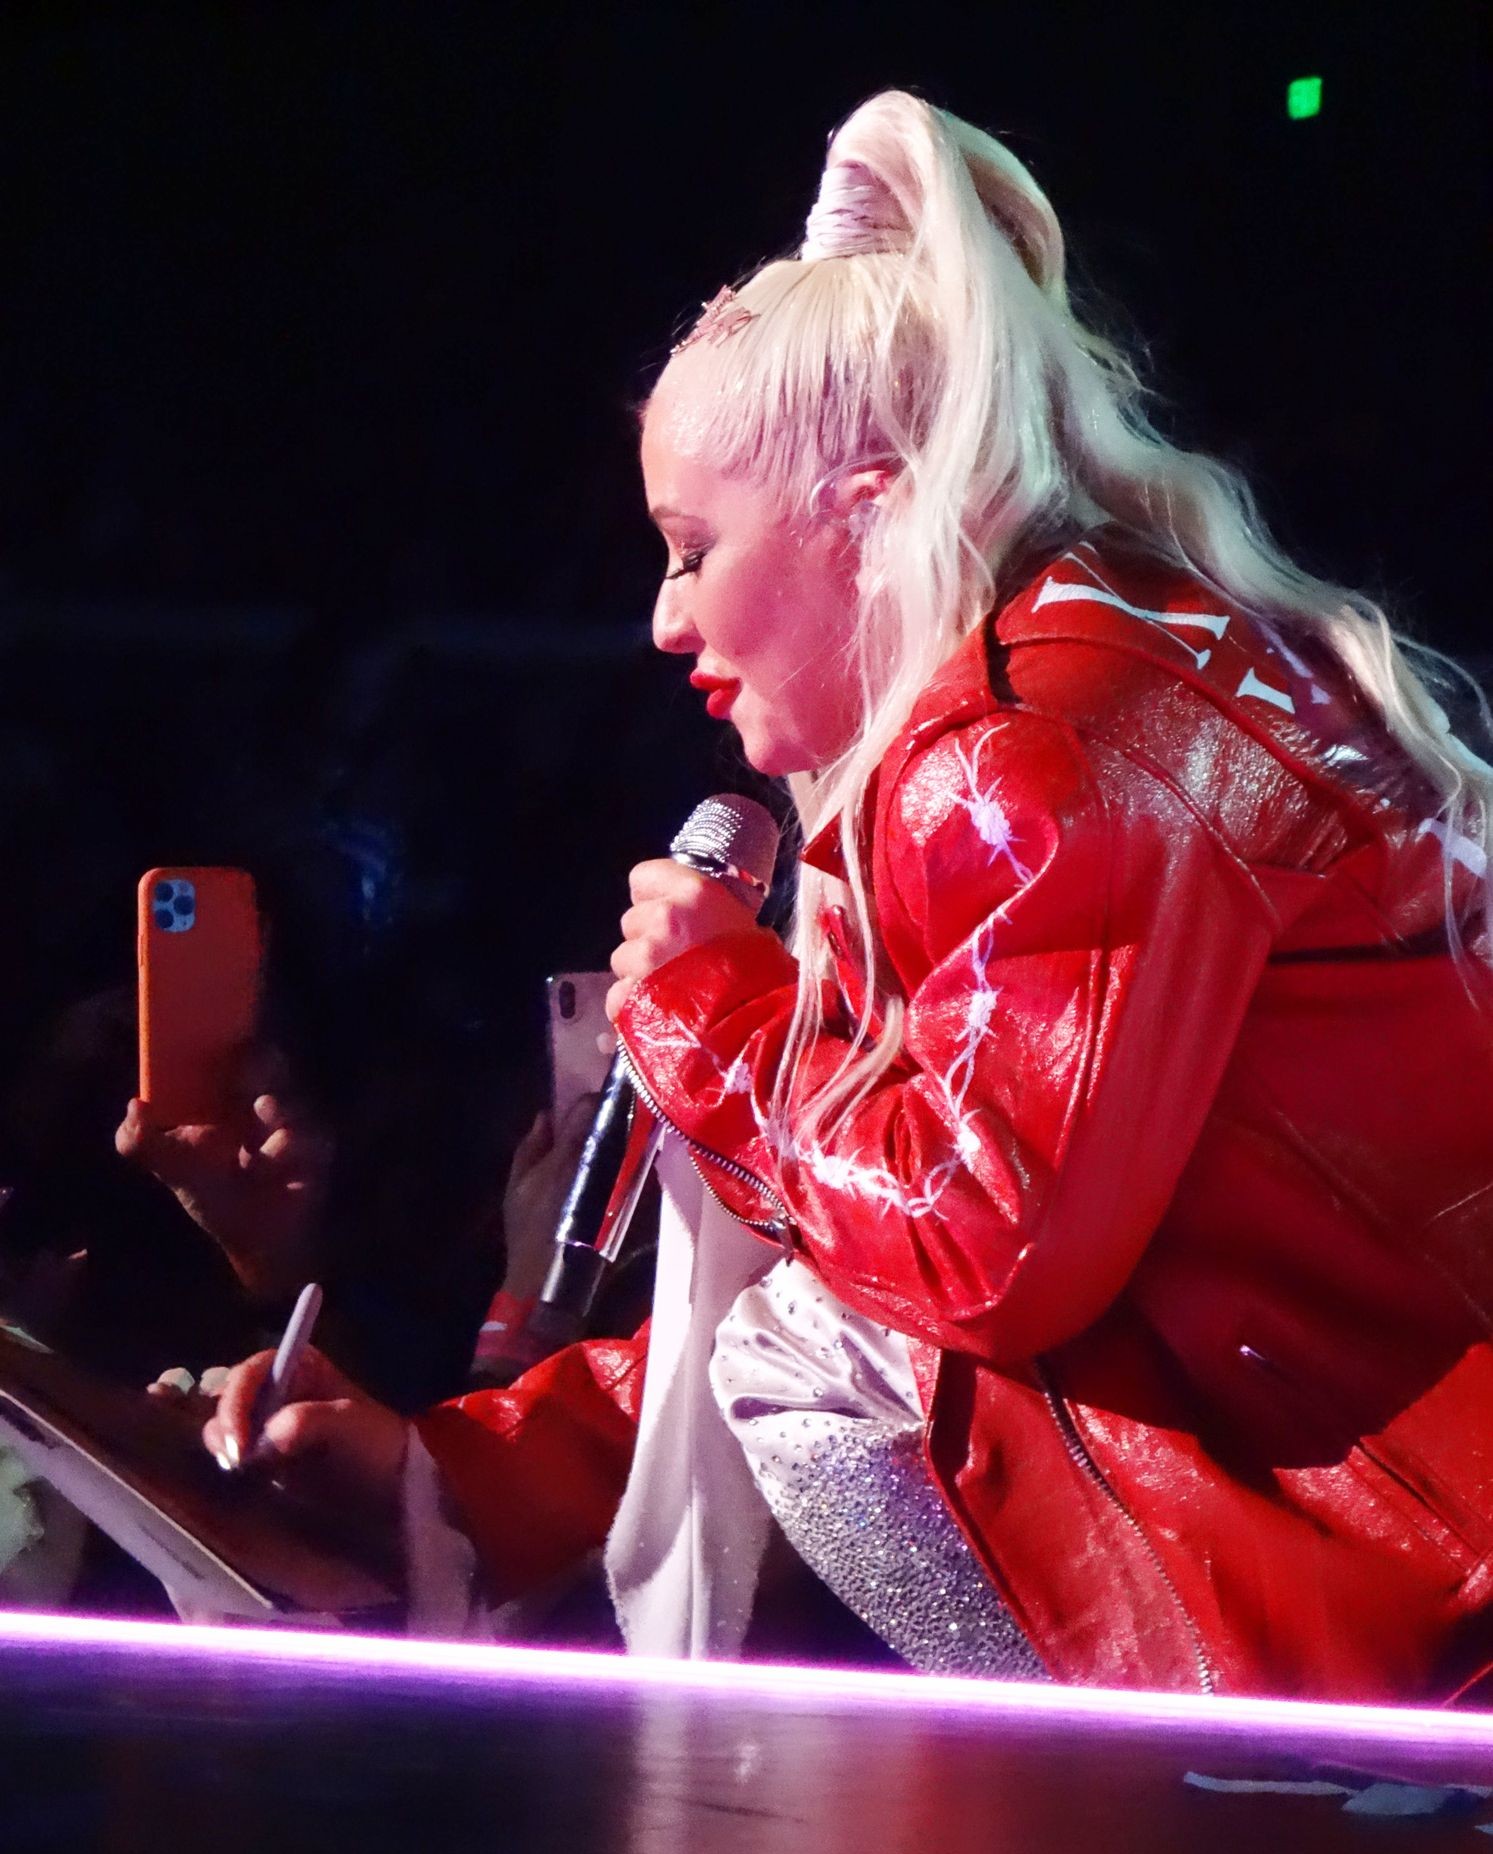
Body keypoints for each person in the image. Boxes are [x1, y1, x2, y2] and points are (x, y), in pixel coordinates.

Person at [202, 90, 1493, 1700]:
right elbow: (913, 1277)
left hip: (1406, 1593)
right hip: (1406, 1520)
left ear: (863, 506)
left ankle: (1140, 1791)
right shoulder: (1113, 666)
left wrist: (712, 1017)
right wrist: (454, 1474)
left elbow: (976, 1260)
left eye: (689, 547)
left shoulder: (1033, 745)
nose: (663, 620)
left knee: (805, 1368)